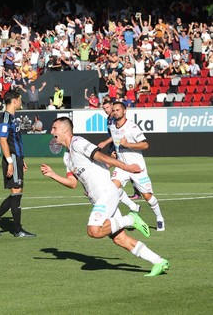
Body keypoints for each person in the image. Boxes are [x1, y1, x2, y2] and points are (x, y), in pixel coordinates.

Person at [40, 117, 169, 277]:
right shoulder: (67, 157)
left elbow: (100, 156)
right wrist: (53, 175)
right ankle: (159, 261)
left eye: (54, 128)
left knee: (94, 230)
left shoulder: (78, 142)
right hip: (99, 199)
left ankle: (131, 219)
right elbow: (72, 183)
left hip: (107, 193)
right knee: (120, 239)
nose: (52, 132)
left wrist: (126, 167)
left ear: (65, 130)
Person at [0, 90, 36, 238]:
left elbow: (15, 141)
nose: (20, 102)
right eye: (19, 99)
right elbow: (2, 139)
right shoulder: (6, 117)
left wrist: (21, 159)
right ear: (14, 100)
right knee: (16, 192)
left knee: (17, 192)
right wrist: (10, 162)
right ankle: (16, 229)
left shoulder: (13, 118)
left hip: (16, 157)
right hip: (11, 158)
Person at [109, 102, 166, 231]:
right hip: (122, 166)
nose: (115, 112)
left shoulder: (132, 127)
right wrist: (114, 152)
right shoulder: (112, 126)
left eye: (118, 110)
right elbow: (116, 141)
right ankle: (133, 207)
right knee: (111, 188)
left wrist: (128, 144)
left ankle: (159, 217)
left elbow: (145, 145)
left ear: (125, 111)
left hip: (137, 167)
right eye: (114, 110)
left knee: (147, 196)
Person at [97, 100, 142, 202]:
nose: (106, 110)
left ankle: (99, 188)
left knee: (106, 166)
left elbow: (117, 135)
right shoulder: (109, 119)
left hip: (117, 146)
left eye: (107, 107)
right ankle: (136, 191)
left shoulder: (115, 119)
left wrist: (105, 143)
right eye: (104, 108)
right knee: (117, 167)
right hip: (114, 146)